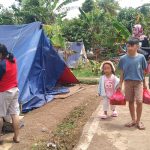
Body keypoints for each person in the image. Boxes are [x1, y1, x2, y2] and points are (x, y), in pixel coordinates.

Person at [118, 37, 147, 130]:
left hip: (138, 82)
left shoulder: (141, 57)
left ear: (137, 46)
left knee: (139, 101)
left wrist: (145, 83)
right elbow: (122, 72)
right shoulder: (123, 58)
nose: (129, 47)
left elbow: (143, 71)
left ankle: (138, 121)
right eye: (128, 45)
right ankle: (133, 120)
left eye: (132, 45)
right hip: (128, 82)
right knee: (130, 101)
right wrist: (120, 83)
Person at [0, 44, 20, 144]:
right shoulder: (13, 59)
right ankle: (16, 137)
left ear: (1, 54)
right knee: (15, 114)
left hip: (4, 92)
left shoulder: (2, 64)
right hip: (15, 90)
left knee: (0, 115)